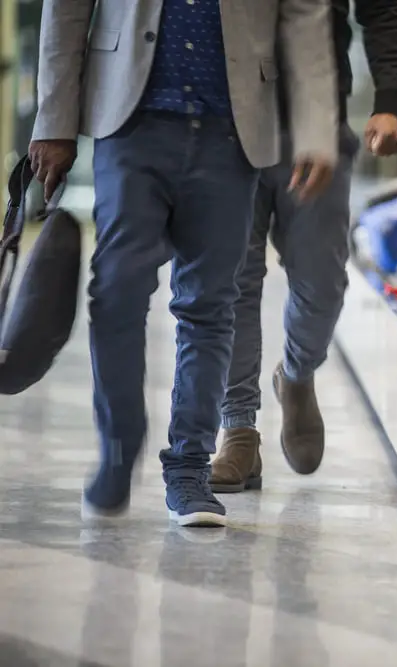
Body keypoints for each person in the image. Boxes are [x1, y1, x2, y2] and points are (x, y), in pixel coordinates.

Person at [29, 0, 339, 527]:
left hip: (232, 128)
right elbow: (66, 9)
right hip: (131, 121)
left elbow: (306, 16)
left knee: (209, 305)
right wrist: (54, 118)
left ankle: (189, 470)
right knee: (117, 292)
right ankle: (120, 447)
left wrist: (315, 128)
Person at [208, 0, 397, 493]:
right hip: (226, 119)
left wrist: (390, 100)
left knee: (322, 282)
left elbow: (381, 9)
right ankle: (238, 429)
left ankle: (297, 373)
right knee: (233, 282)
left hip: (317, 119)